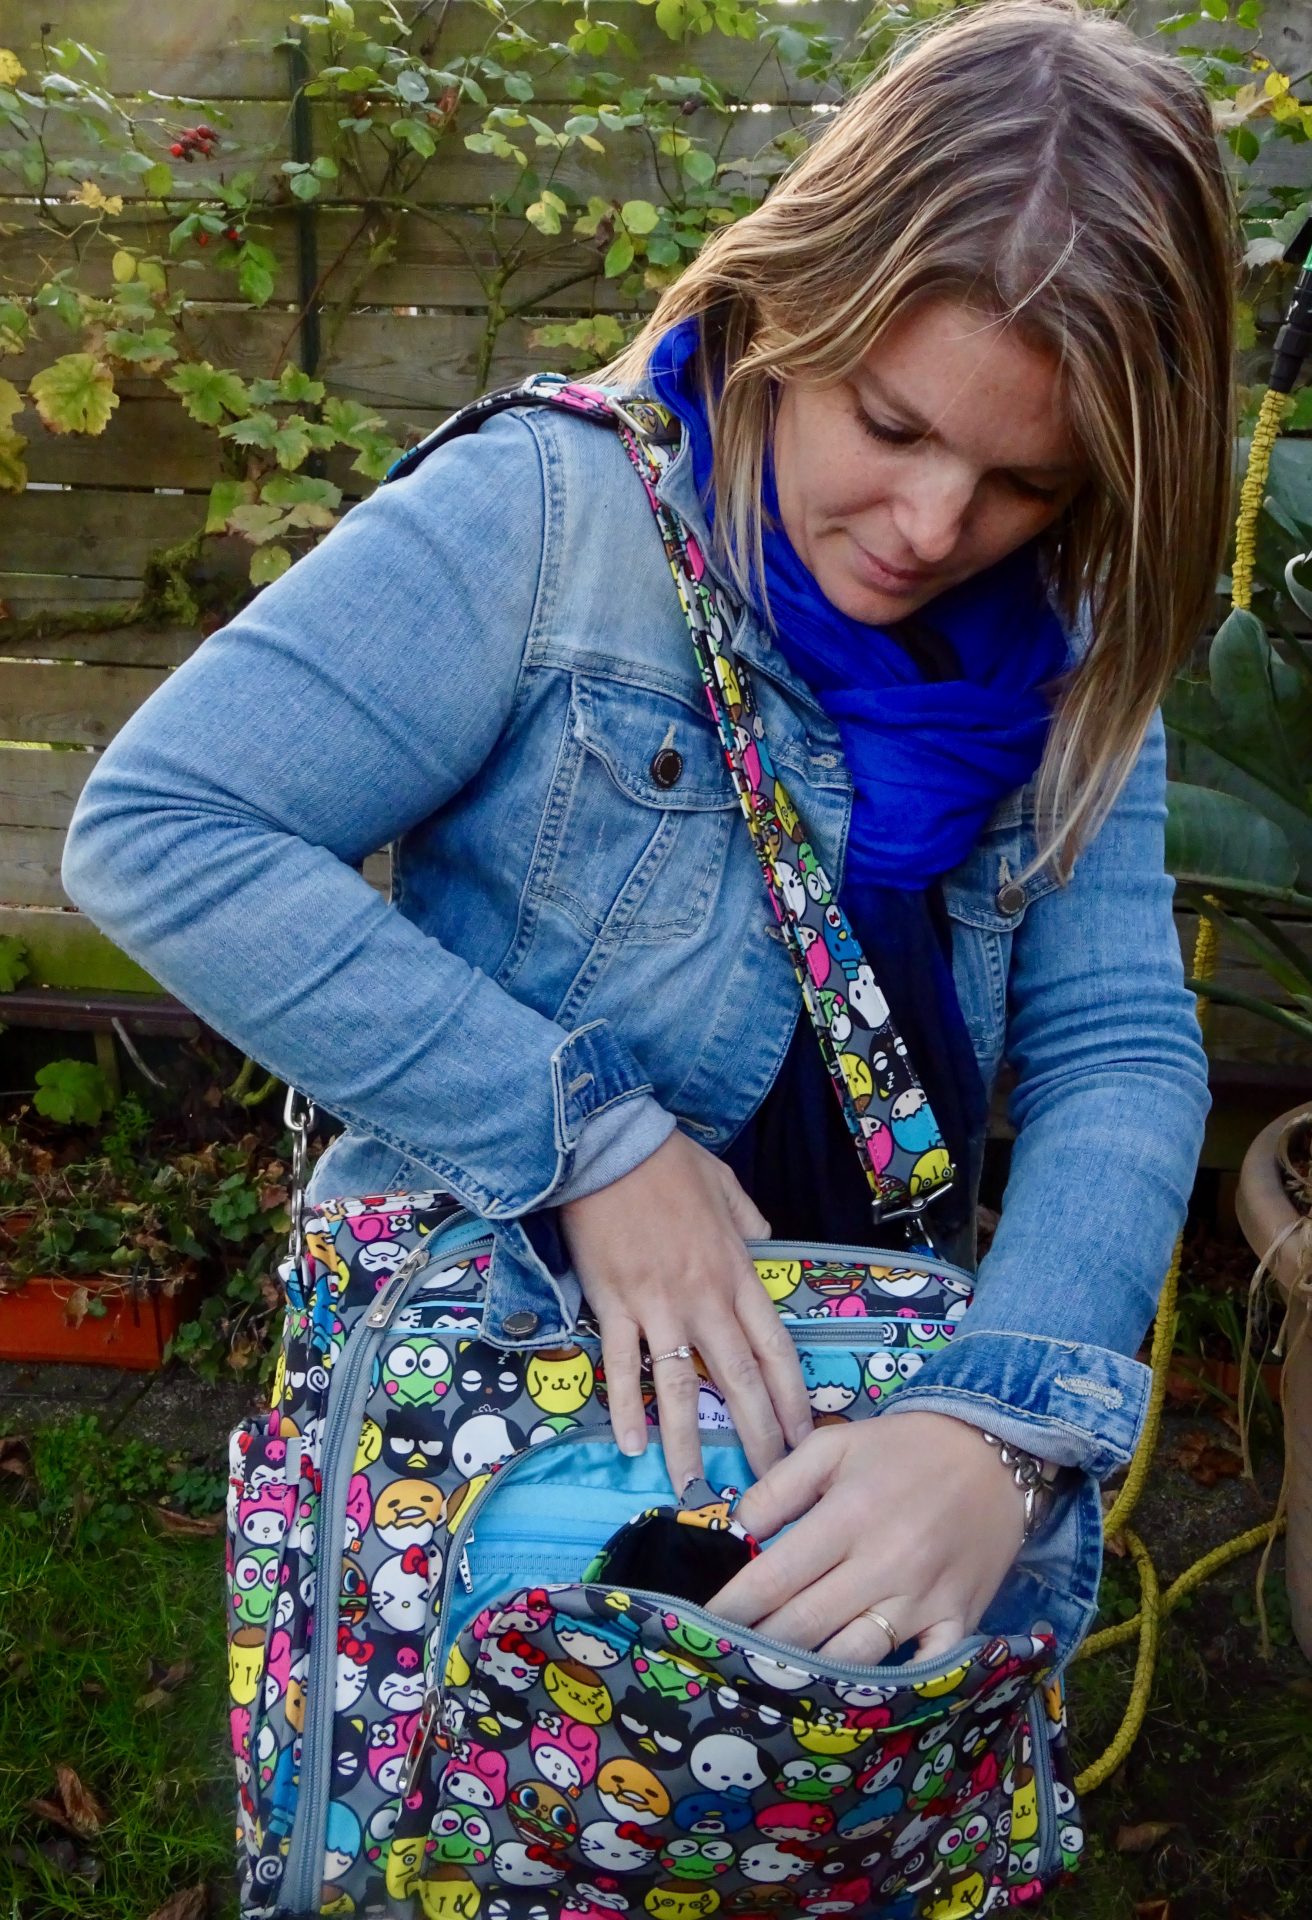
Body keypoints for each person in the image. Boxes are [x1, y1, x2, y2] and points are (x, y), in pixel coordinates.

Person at [63, 0, 1231, 1674]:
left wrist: (997, 1425)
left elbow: (1118, 1044)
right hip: (498, 1446)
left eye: (1025, 482)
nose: (934, 528)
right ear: (787, 308)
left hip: (871, 1470)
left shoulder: (1075, 630)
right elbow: (166, 827)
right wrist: (588, 1140)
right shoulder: (552, 522)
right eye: (893, 426)